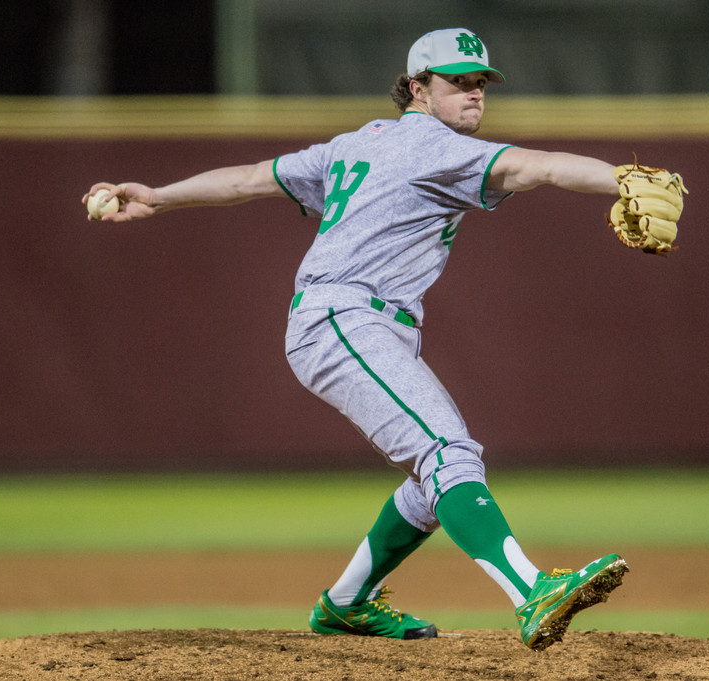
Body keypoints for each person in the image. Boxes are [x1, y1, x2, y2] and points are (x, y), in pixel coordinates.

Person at [83, 28, 643, 651]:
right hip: (345, 319)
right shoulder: (433, 145)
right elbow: (537, 166)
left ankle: (346, 604)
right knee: (450, 454)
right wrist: (621, 176)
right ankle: (530, 589)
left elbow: (246, 179)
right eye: (458, 81)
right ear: (416, 88)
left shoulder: (357, 143)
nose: (474, 94)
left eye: (481, 82)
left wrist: (158, 197)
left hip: (350, 323)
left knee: (432, 484)